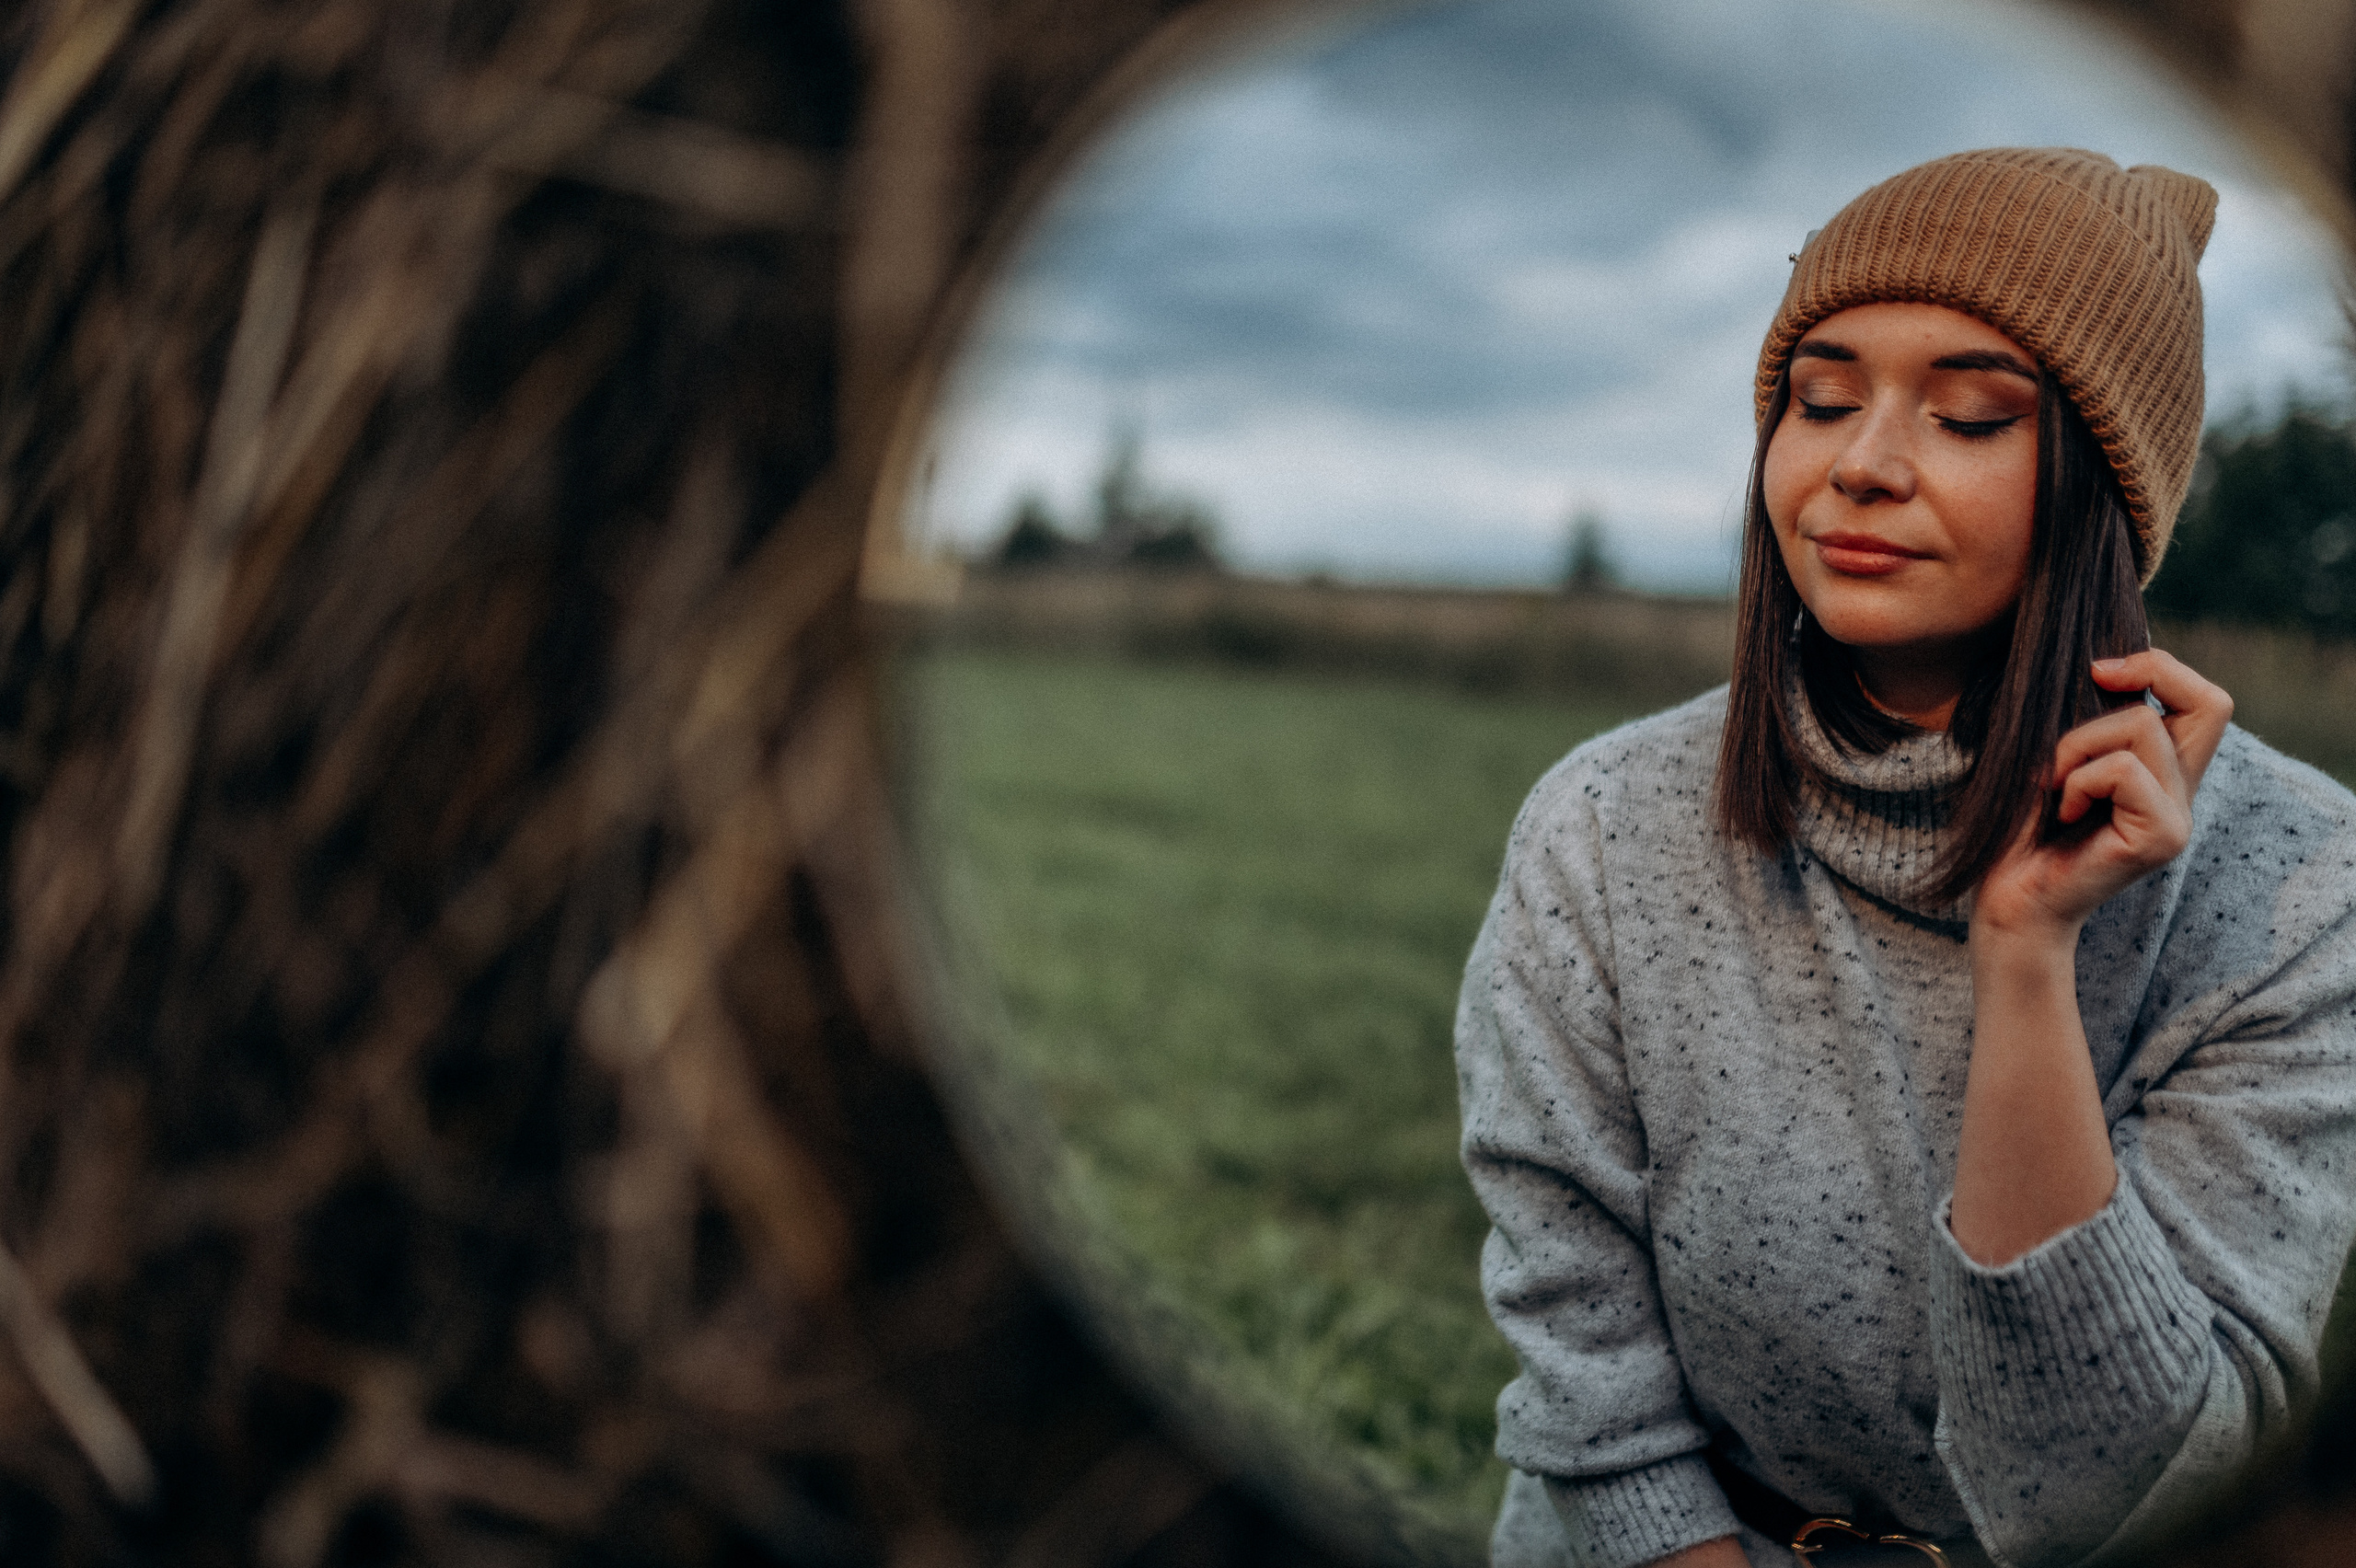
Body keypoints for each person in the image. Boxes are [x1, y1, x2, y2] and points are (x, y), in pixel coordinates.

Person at [1456, 147, 2356, 1568]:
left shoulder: (2303, 887)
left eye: (1970, 415)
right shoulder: (1606, 822)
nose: (1860, 465)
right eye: (1819, 401)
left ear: (2104, 487)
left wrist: (2027, 954)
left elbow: (2114, 1488)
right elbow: (1583, 1349)